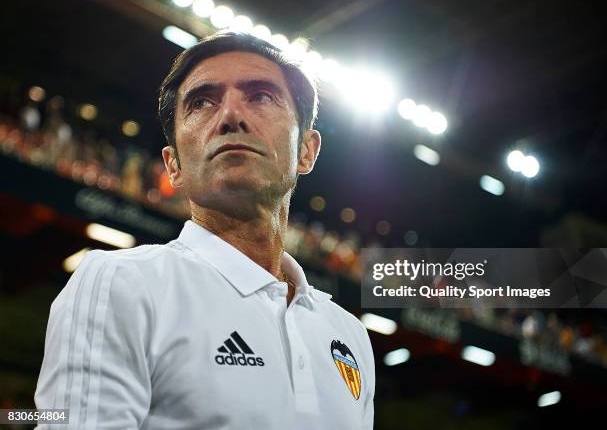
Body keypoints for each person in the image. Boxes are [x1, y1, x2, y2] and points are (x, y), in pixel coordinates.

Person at [34, 31, 375, 429]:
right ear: (173, 165)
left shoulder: (349, 336)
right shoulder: (120, 284)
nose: (231, 115)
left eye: (261, 96)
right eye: (201, 102)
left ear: (307, 151)